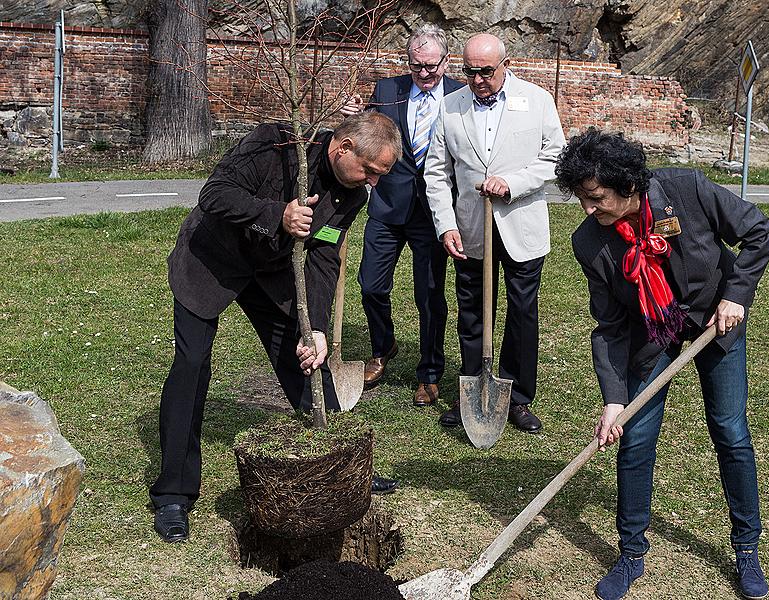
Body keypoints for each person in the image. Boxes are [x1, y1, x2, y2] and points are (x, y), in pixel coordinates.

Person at [150, 112, 403, 543]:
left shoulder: (351, 195)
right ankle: (173, 493)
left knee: (306, 355)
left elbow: (324, 256)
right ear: (343, 148)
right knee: (191, 365)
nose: (373, 182)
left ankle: (339, 465)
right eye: (371, 170)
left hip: (271, 272)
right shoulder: (277, 144)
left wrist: (318, 328)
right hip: (212, 259)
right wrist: (277, 214)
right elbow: (215, 194)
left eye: (380, 175)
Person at [558, 129, 769, 600]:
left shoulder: (686, 189)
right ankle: (631, 553)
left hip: (716, 322)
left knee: (731, 432)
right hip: (649, 336)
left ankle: (746, 549)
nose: (587, 209)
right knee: (634, 439)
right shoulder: (590, 242)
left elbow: (758, 231)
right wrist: (614, 400)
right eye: (581, 199)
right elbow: (611, 325)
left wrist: (736, 296)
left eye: (595, 198)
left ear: (628, 185)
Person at [424, 33, 564, 433]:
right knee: (471, 313)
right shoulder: (450, 108)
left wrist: (513, 182)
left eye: (486, 71)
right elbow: (437, 172)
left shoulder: (536, 100)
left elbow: (555, 157)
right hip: (470, 227)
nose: (478, 79)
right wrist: (446, 223)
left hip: (521, 224)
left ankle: (517, 397)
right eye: (470, 72)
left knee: (522, 312)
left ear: (505, 64)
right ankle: (471, 390)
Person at [341, 24, 464, 406]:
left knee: (429, 296)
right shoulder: (387, 91)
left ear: (446, 60)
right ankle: (383, 347)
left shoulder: (462, 94)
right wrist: (355, 116)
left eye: (431, 65)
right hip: (388, 206)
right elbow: (366, 134)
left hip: (434, 213)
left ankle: (429, 373)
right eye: (416, 66)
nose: (424, 73)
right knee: (371, 285)